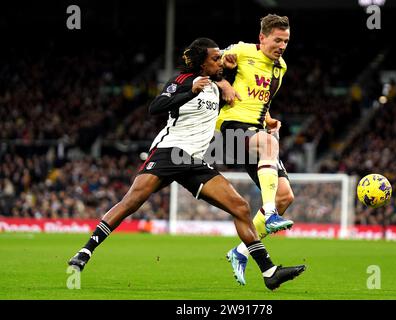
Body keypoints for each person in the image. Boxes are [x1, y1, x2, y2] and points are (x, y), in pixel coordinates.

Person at [68, 38, 306, 290]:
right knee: (132, 202)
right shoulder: (182, 81)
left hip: (193, 161)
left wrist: (263, 117)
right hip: (169, 152)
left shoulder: (218, 86)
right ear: (202, 63)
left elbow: (247, 102)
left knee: (241, 207)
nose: (220, 61)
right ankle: (85, 251)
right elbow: (155, 107)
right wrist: (189, 90)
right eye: (215, 59)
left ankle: (269, 271)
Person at [216, 14, 297, 286]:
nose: (282, 45)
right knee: (270, 143)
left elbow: (261, 102)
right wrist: (224, 80)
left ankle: (240, 252)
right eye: (277, 40)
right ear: (262, 38)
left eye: (286, 40)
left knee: (286, 196)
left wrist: (269, 119)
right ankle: (270, 213)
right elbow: (205, 65)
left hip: (256, 131)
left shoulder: (280, 68)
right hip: (230, 128)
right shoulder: (241, 51)